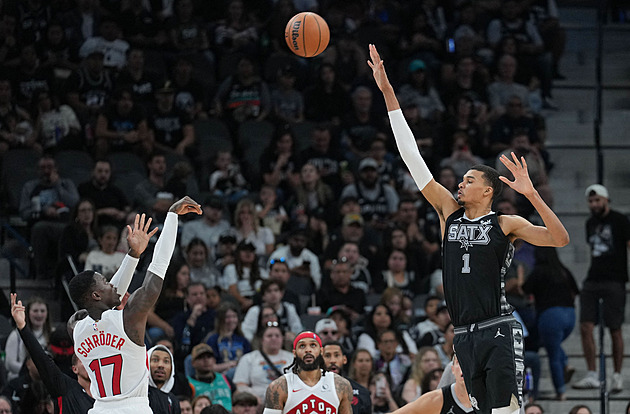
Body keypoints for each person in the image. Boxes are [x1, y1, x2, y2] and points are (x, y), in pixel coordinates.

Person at [368, 44, 569, 414]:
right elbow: (412, 158)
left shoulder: (504, 222)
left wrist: (533, 195)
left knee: (505, 411)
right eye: (460, 179)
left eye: (468, 179)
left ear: (488, 190)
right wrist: (387, 92)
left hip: (498, 327)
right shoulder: (449, 211)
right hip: (462, 333)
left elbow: (559, 238)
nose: (460, 184)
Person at [68, 196, 201, 414]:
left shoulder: (76, 328)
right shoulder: (129, 318)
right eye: (105, 282)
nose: (112, 284)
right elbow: (158, 268)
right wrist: (172, 217)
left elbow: (106, 300)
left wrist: (133, 255)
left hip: (99, 409)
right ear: (95, 295)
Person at [573, 184, 630, 393]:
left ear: (606, 200)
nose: (594, 204)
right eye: (591, 201)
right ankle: (592, 374)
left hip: (615, 279)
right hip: (593, 279)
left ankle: (616, 375)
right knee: (586, 326)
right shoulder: (590, 223)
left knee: (615, 329)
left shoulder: (620, 220)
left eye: (597, 200)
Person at [10, 293, 95, 414]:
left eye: (91, 359)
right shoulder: (64, 387)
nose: (88, 362)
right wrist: (22, 327)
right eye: (83, 360)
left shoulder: (106, 392)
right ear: (74, 369)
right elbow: (41, 359)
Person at [522, 247, 578, 400]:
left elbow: (525, 289)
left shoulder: (539, 271)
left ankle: (561, 391)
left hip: (550, 315)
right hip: (570, 315)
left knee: (552, 353)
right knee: (553, 344)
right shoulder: (563, 270)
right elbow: (576, 291)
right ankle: (566, 362)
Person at [263, 332, 353, 414]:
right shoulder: (279, 386)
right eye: (302, 346)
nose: (308, 350)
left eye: (313, 345)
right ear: (294, 353)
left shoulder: (341, 385)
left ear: (321, 351)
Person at [233, 322, 293, 404]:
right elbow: (240, 385)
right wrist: (253, 397)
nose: (274, 338)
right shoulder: (249, 358)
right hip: (259, 402)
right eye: (269, 336)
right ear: (262, 340)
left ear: (282, 339)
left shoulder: (293, 358)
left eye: (277, 336)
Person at [389, 355, 472, 414]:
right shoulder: (437, 399)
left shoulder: (484, 399)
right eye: (459, 362)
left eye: (469, 362)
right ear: (452, 369)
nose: (464, 367)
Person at [5, 296, 50, 381]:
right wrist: (33, 371)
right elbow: (9, 364)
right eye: (35, 311)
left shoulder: (52, 335)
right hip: (20, 380)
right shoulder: (16, 335)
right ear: (27, 313)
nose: (39, 314)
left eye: (42, 311)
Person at [322, 341, 372, 414]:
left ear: (344, 359)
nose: (332, 361)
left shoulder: (362, 392)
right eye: (327, 356)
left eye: (337, 355)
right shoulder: (311, 390)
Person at [187, 343, 233, 410]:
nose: (206, 360)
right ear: (193, 363)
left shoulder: (224, 378)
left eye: (209, 356)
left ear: (214, 360)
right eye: (201, 357)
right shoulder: (189, 383)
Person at [147, 344, 181, 414]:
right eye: (155, 360)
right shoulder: (140, 394)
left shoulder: (173, 400)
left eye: (166, 361)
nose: (160, 365)